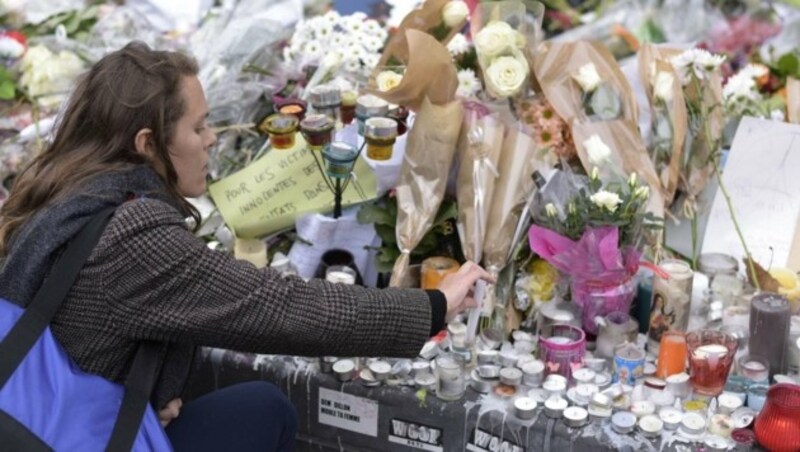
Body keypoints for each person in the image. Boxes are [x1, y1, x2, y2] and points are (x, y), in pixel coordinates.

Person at [0, 42, 493, 451]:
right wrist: (432, 306)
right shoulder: (134, 236)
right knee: (265, 407)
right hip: (75, 438)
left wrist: (155, 395)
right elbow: (282, 307)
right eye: (197, 127)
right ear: (147, 143)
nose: (212, 139)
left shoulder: (61, 185)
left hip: (33, 415)